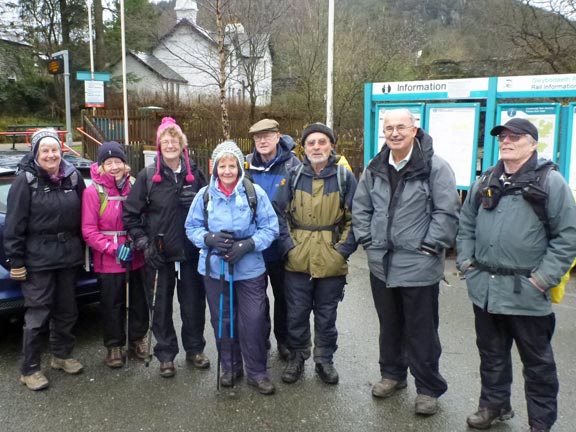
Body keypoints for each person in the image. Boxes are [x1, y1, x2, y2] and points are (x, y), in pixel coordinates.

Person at [457, 118, 576, 432]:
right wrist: (467, 264)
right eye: (503, 137)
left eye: (515, 137)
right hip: (485, 289)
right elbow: (466, 224)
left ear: (533, 144)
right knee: (491, 355)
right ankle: (494, 406)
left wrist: (542, 279)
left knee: (538, 365)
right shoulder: (485, 180)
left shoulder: (551, 183)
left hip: (528, 293)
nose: (506, 141)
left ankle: (540, 423)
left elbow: (567, 237)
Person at [352, 108, 460, 415]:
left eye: (401, 127)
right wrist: (368, 242)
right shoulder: (374, 168)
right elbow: (361, 208)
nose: (395, 133)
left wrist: (430, 246)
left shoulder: (435, 167)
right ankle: (393, 375)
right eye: (389, 128)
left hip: (419, 264)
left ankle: (428, 388)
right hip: (381, 264)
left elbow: (447, 211)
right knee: (389, 325)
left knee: (421, 330)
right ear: (383, 132)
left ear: (415, 130)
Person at [185, 140, 279, 395]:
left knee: (253, 320)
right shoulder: (204, 195)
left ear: (240, 166)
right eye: (222, 166)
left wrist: (249, 244)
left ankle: (257, 371)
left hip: (250, 269)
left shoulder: (253, 193)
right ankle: (230, 366)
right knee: (223, 320)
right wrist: (207, 239)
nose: (227, 171)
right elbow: (191, 227)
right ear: (215, 168)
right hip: (216, 269)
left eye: (232, 166)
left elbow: (271, 228)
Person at [123, 117, 210, 378]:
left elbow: (211, 207)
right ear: (159, 146)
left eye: (174, 140)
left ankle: (195, 349)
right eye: (165, 141)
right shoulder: (148, 176)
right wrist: (143, 243)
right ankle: (166, 354)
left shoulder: (195, 174)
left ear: (182, 144)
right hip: (158, 253)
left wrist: (195, 203)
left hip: (190, 253)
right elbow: (130, 215)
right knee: (160, 307)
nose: (170, 145)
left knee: (193, 305)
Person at [273, 122, 357, 386]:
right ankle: (297, 357)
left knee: (326, 315)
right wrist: (289, 247)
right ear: (304, 147)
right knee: (296, 314)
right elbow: (277, 215)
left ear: (331, 145)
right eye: (311, 143)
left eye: (322, 142)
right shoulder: (293, 176)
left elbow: (356, 219)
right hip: (297, 260)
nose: (317, 147)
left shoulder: (344, 178)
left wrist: (341, 251)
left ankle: (324, 360)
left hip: (331, 262)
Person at [4, 129, 86, 391]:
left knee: (67, 311)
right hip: (37, 257)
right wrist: (16, 261)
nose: (51, 155)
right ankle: (29, 369)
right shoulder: (25, 181)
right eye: (45, 151)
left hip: (68, 255)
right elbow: (14, 225)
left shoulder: (72, 177)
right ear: (36, 154)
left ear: (61, 151)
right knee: (38, 315)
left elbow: (85, 215)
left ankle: (61, 356)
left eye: (54, 150)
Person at [82, 141, 149, 368]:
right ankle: (114, 345)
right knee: (112, 303)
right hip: (108, 259)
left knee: (138, 301)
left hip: (135, 254)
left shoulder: (134, 185)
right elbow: (88, 231)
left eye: (117, 161)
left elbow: (143, 215)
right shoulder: (93, 192)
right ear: (101, 166)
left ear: (124, 163)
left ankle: (137, 340)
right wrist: (112, 248)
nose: (113, 167)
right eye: (108, 163)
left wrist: (137, 239)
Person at [246, 118, 301, 360]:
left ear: (278, 136)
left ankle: (284, 340)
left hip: (282, 244)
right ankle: (261, 340)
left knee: (284, 298)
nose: (262, 140)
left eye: (267, 135)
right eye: (258, 137)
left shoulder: (293, 165)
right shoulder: (245, 165)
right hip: (254, 246)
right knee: (256, 300)